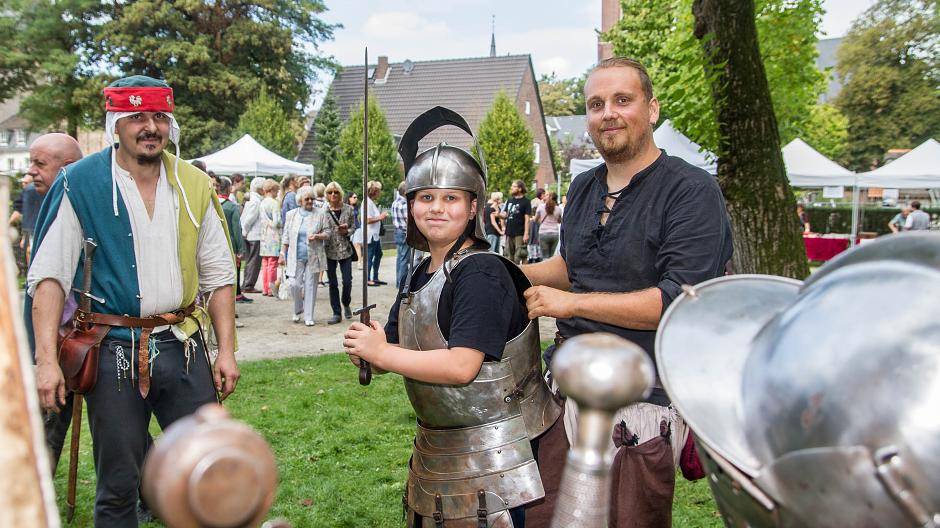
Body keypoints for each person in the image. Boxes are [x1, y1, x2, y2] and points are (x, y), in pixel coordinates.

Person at [520, 57, 733, 526]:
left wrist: (570, 303)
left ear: (651, 109)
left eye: (622, 100)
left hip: (639, 407)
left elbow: (676, 301)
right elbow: (571, 266)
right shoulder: (581, 187)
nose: (607, 113)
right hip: (561, 394)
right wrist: (510, 275)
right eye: (596, 104)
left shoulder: (691, 191)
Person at [26, 75, 239, 526]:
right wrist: (46, 361)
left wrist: (226, 351)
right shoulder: (78, 183)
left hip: (181, 346)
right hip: (111, 352)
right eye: (137, 116)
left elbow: (220, 277)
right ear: (116, 124)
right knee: (118, 485)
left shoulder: (194, 184)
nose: (150, 127)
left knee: (210, 470)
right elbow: (49, 279)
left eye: (160, 116)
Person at [343, 107, 559, 527]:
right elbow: (392, 347)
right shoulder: (418, 272)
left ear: (473, 205)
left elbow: (462, 366)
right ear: (410, 205)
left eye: (450, 198)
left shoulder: (481, 271)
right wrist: (366, 350)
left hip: (496, 451)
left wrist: (381, 355)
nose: (436, 208)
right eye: (425, 197)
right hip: (435, 449)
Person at [19, 133, 85, 475]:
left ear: (68, 168)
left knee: (116, 427)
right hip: (54, 342)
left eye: (39, 164)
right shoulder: (49, 202)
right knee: (47, 422)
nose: (30, 173)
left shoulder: (81, 204)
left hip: (80, 340)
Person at [280, 186, 330, 325]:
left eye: (311, 198)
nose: (309, 201)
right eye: (306, 199)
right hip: (295, 256)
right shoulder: (291, 215)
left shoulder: (320, 213)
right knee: (294, 284)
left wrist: (318, 236)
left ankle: (309, 316)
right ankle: (298, 309)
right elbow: (285, 237)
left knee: (310, 286)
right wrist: (282, 253)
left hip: (313, 256)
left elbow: (328, 232)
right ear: (300, 200)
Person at [323, 181, 355, 324]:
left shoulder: (348, 209)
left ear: (340, 194)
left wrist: (346, 230)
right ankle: (336, 313)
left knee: (347, 280)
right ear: (327, 195)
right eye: (330, 192)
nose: (333, 195)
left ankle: (346, 302)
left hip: (345, 250)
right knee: (332, 283)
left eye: (336, 192)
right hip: (329, 250)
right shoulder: (323, 211)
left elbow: (354, 227)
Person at [240, 177, 265, 293]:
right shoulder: (256, 201)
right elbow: (249, 218)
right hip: (254, 235)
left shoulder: (252, 199)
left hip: (250, 234)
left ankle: (246, 284)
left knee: (250, 261)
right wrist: (245, 231)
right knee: (254, 262)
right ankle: (248, 285)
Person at [258, 178, 281, 296]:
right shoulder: (274, 203)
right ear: (272, 190)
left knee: (265, 263)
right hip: (273, 236)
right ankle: (272, 288)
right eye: (277, 190)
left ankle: (265, 288)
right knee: (273, 264)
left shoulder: (262, 203)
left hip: (264, 236)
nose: (277, 193)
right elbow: (277, 222)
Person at [502, 179, 531, 265]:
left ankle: (523, 275)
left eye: (514, 186)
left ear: (520, 189)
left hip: (520, 233)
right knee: (509, 257)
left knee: (520, 255)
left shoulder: (526, 202)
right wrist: (498, 215)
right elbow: (506, 215)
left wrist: (526, 233)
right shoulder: (510, 200)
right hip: (509, 232)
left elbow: (527, 219)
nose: (511, 188)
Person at [364, 180, 387, 286]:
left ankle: (375, 277)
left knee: (378, 254)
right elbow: (367, 220)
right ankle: (367, 279)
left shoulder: (371, 202)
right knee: (370, 256)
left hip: (375, 235)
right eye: (379, 191)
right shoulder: (367, 203)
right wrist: (380, 217)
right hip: (370, 235)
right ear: (374, 191)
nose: (380, 193)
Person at [391, 181, 409, 289]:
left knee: (399, 258)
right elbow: (408, 221)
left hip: (397, 231)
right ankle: (401, 284)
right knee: (404, 260)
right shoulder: (404, 205)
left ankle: (398, 281)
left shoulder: (395, 203)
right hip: (404, 232)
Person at [536, 191, 562, 257]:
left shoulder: (541, 207)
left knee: (544, 256)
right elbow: (559, 221)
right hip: (554, 234)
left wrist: (541, 222)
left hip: (543, 233)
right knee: (551, 256)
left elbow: (536, 219)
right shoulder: (558, 209)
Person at [347, 192, 363, 266]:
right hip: (349, 228)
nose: (356, 199)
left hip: (357, 227)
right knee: (352, 244)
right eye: (354, 197)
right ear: (349, 198)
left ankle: (360, 261)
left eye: (356, 197)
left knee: (357, 244)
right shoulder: (346, 207)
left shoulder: (356, 207)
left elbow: (357, 218)